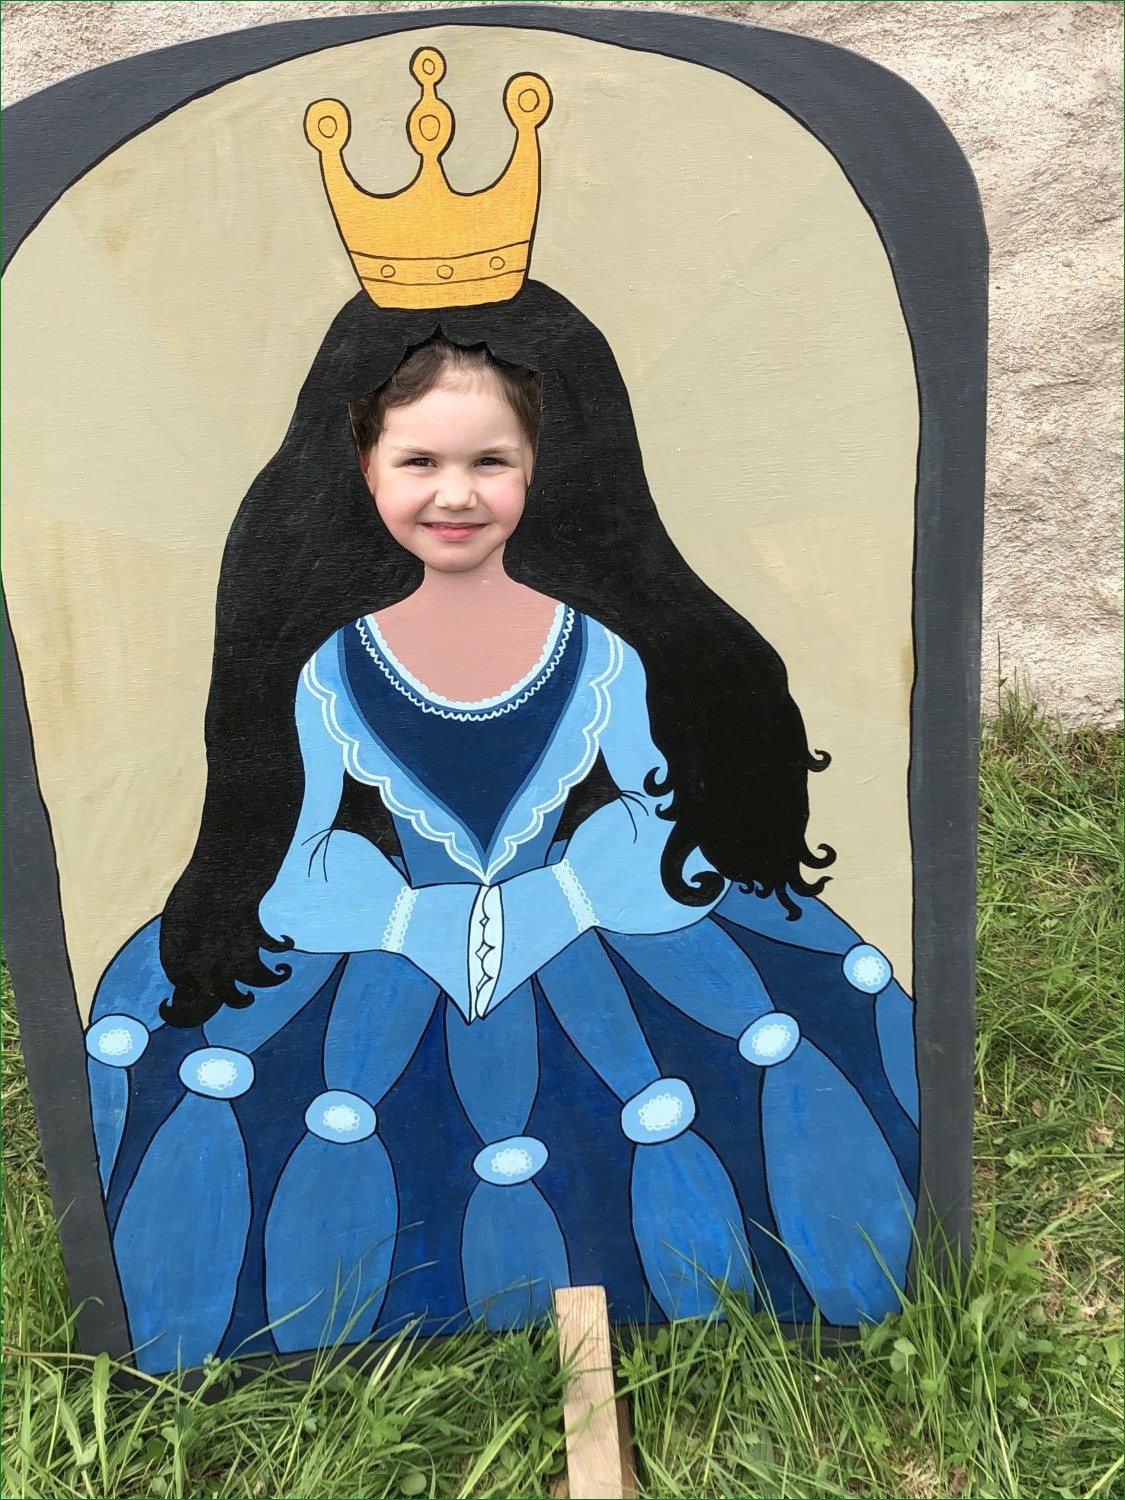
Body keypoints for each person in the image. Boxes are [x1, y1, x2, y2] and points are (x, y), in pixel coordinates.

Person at [85, 283, 918, 1375]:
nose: (456, 494)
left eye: (491, 461)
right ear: (361, 467)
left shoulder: (600, 650)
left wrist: (559, 899)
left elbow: (655, 815)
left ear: (543, 467)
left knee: (758, 1053)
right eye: (418, 462)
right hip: (383, 945)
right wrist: (409, 923)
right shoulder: (330, 667)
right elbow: (301, 853)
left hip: (595, 930)